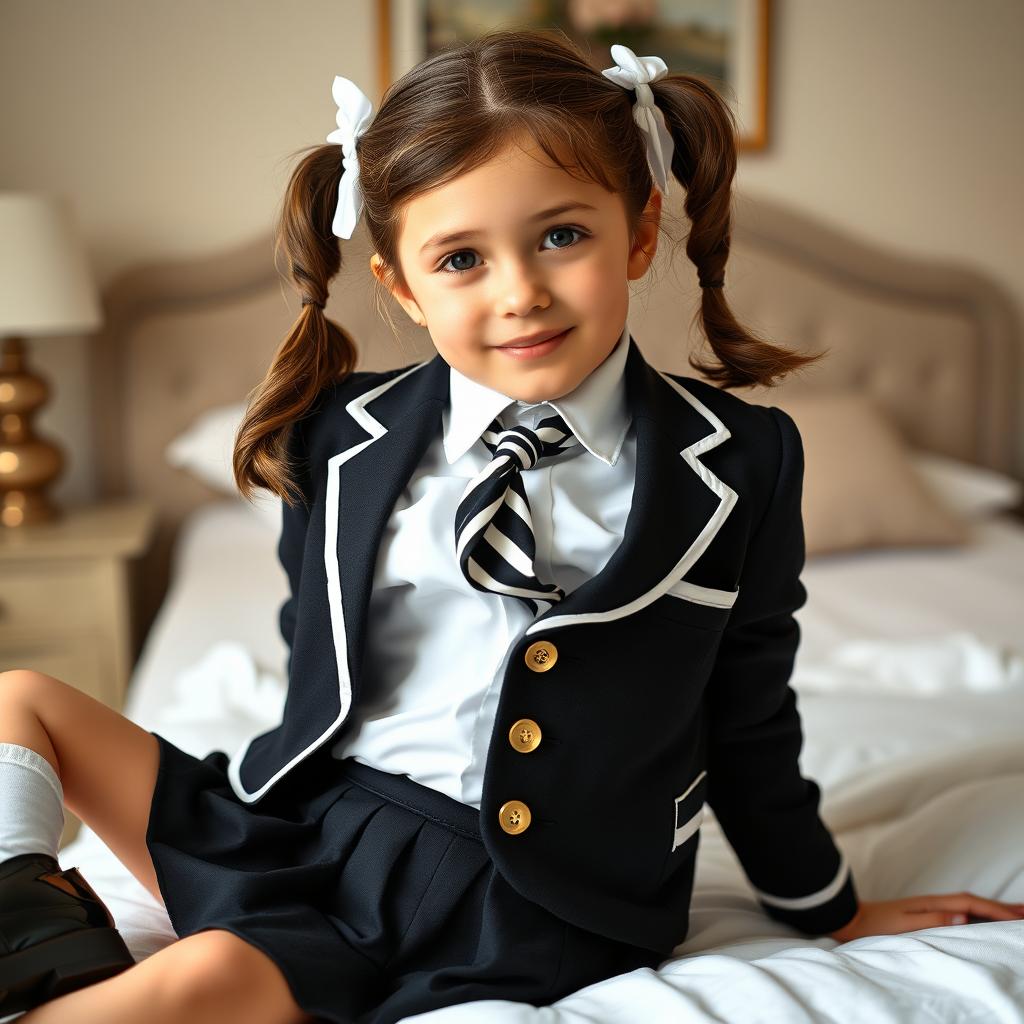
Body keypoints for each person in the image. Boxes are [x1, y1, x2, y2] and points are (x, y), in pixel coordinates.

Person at [2, 27, 1022, 1024]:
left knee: (206, 976)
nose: (520, 292)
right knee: (21, 700)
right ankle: (32, 941)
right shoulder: (336, 433)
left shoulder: (742, 459)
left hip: (514, 888)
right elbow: (318, 659)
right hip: (307, 820)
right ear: (400, 281)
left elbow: (746, 720)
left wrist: (830, 908)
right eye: (460, 259)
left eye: (561, 235)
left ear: (635, 229)